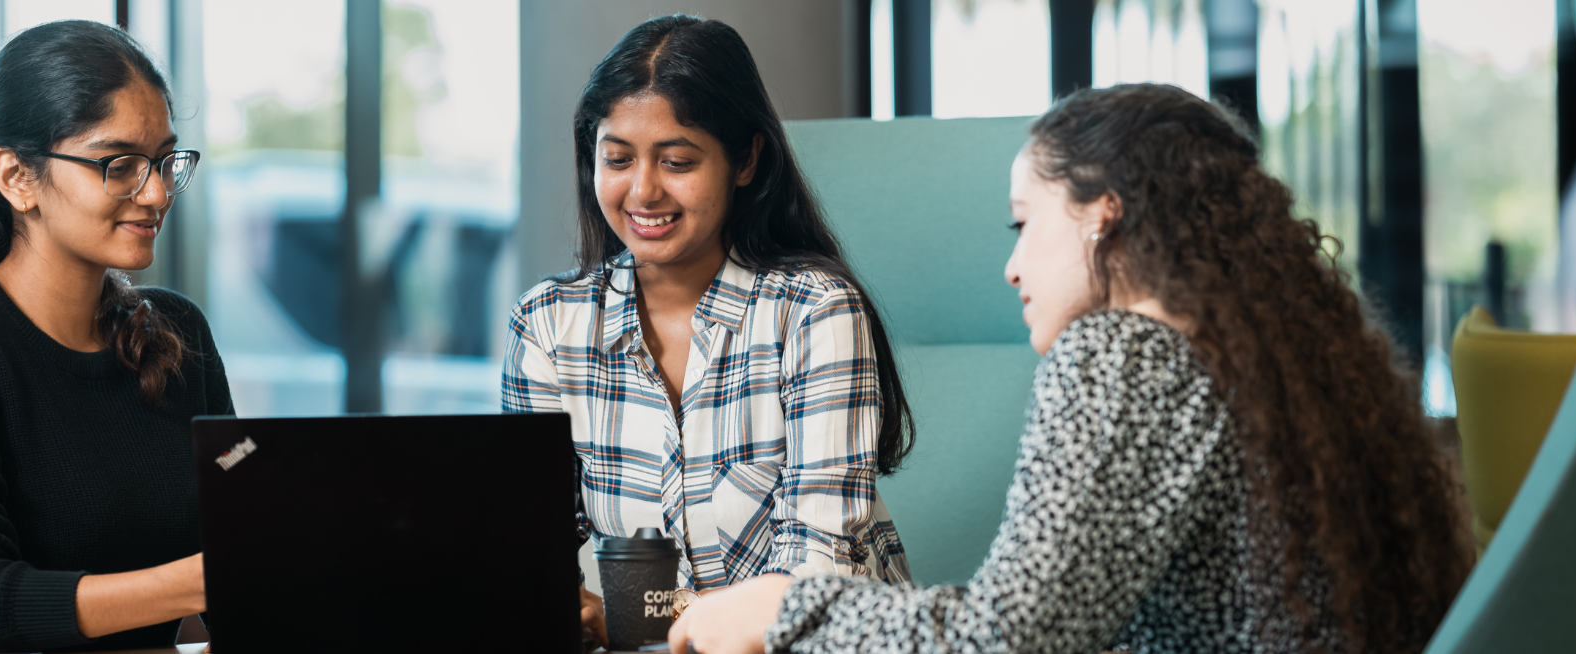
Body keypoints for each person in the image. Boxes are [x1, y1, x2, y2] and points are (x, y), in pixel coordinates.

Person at [669, 84, 1474, 654]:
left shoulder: (1125, 356)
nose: (1012, 267)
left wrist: (784, 610)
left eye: (1024, 224)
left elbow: (1007, 638)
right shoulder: (1261, 360)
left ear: (1102, 217)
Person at [500, 15, 917, 647]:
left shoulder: (813, 311)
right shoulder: (548, 324)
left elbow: (815, 578)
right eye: (617, 159)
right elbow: (527, 552)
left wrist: (661, 624)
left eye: (676, 161)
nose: (642, 191)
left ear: (745, 159)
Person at [0, 20, 232, 653]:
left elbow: (235, 549)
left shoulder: (177, 333)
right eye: (119, 164)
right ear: (17, 178)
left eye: (164, 161)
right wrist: (195, 584)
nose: (157, 192)